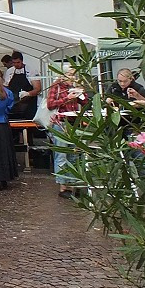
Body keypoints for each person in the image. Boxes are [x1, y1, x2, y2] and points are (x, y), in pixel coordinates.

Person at [45, 64, 87, 198]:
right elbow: (50, 104)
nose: (72, 77)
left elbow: (86, 103)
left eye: (74, 74)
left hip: (76, 123)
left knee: (75, 154)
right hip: (61, 123)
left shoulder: (76, 86)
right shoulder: (56, 87)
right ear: (62, 75)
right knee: (61, 154)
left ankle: (74, 183)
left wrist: (81, 95)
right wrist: (67, 98)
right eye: (70, 74)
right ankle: (63, 187)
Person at [5, 51, 41, 120]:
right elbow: (6, 86)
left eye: (18, 62)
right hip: (14, 106)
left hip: (29, 105)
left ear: (22, 61)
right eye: (14, 63)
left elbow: (38, 89)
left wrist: (27, 93)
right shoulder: (9, 72)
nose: (16, 65)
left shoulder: (31, 71)